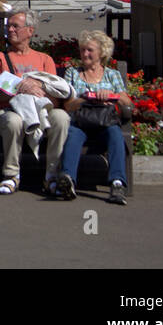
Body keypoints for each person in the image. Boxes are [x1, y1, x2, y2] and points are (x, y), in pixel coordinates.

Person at [0, 10, 70, 196]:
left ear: (30, 31)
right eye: (8, 26)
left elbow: (55, 98)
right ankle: (11, 175)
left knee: (61, 117)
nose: (9, 29)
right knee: (13, 121)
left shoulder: (44, 59)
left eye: (15, 26)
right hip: (8, 110)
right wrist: (21, 87)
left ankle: (52, 175)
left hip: (40, 110)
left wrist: (39, 85)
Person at [56, 31, 131, 205]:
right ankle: (68, 179)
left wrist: (111, 95)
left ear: (102, 53)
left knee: (115, 134)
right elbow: (67, 105)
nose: (85, 54)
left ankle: (117, 183)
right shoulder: (72, 73)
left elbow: (127, 102)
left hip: (105, 121)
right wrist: (87, 97)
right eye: (82, 50)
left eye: (89, 50)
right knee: (73, 134)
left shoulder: (112, 75)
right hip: (81, 120)